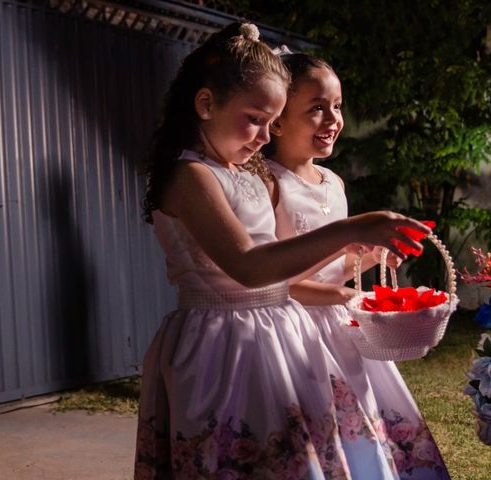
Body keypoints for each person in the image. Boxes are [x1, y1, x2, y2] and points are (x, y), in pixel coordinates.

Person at [134, 22, 434, 479]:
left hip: (276, 332)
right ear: (205, 104)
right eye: (255, 119)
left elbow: (280, 265)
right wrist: (349, 229)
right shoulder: (190, 177)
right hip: (223, 343)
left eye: (271, 123)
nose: (263, 135)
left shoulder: (242, 170)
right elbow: (249, 268)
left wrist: (357, 246)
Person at [265, 50, 450, 479]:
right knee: (319, 427)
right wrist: (347, 294)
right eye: (316, 109)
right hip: (297, 332)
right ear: (277, 121)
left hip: (343, 329)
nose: (332, 119)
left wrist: (369, 257)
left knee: (364, 418)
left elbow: (334, 265)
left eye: (337, 106)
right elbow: (277, 280)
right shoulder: (270, 184)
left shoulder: (333, 183)